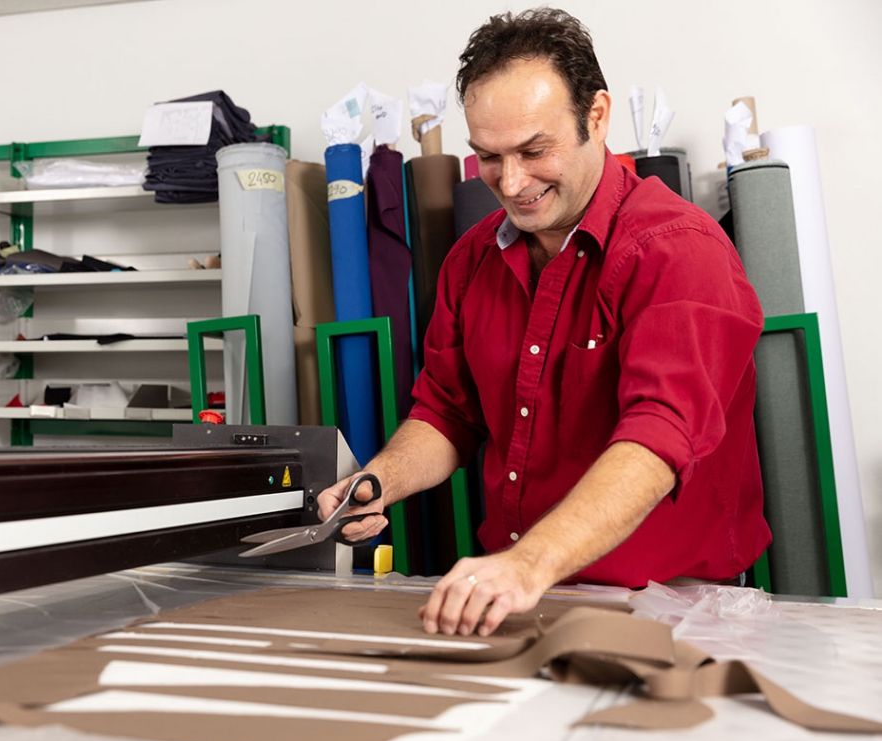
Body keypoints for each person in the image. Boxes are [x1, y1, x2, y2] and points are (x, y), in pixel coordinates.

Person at [317, 8, 771, 637]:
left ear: (597, 116)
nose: (511, 181)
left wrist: (527, 561)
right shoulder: (470, 262)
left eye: (534, 151)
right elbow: (448, 413)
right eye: (488, 157)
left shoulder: (678, 249)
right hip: (524, 600)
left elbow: (659, 435)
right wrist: (378, 480)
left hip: (676, 611)